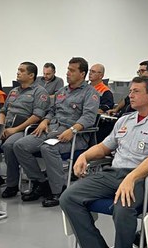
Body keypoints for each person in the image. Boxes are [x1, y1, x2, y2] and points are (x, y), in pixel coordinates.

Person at [60, 76, 148, 248]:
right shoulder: (125, 120)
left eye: (136, 91)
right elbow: (105, 147)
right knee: (69, 197)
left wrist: (131, 178)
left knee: (122, 207)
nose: (130, 95)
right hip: (115, 174)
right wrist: (84, 156)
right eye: (130, 91)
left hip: (144, 178)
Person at [14, 57, 100, 207]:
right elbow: (51, 110)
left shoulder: (90, 93)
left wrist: (72, 130)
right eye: (68, 69)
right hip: (51, 129)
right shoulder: (62, 91)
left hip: (74, 135)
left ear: (82, 74)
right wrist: (45, 121)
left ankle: (58, 191)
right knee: (20, 145)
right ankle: (41, 182)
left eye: (72, 71)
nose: (67, 73)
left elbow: (89, 117)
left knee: (48, 148)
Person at [0, 62, 50, 199]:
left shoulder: (39, 92)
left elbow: (37, 116)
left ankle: (27, 182)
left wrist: (14, 130)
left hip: (25, 129)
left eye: (22, 71)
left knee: (9, 145)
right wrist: (1, 127)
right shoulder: (13, 92)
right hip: (8, 127)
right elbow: (3, 111)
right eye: (18, 70)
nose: (18, 72)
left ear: (31, 75)